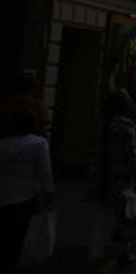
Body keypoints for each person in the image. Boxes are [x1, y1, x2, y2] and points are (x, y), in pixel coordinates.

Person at [0, 101, 54, 271]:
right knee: (20, 235)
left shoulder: (2, 144)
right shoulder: (38, 143)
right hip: (25, 195)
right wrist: (49, 191)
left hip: (4, 195)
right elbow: (45, 170)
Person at [90, 89, 136, 269]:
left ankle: (95, 255)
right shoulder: (126, 126)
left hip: (99, 178)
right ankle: (123, 253)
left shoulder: (100, 125)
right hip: (120, 179)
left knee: (100, 217)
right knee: (123, 218)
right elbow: (132, 156)